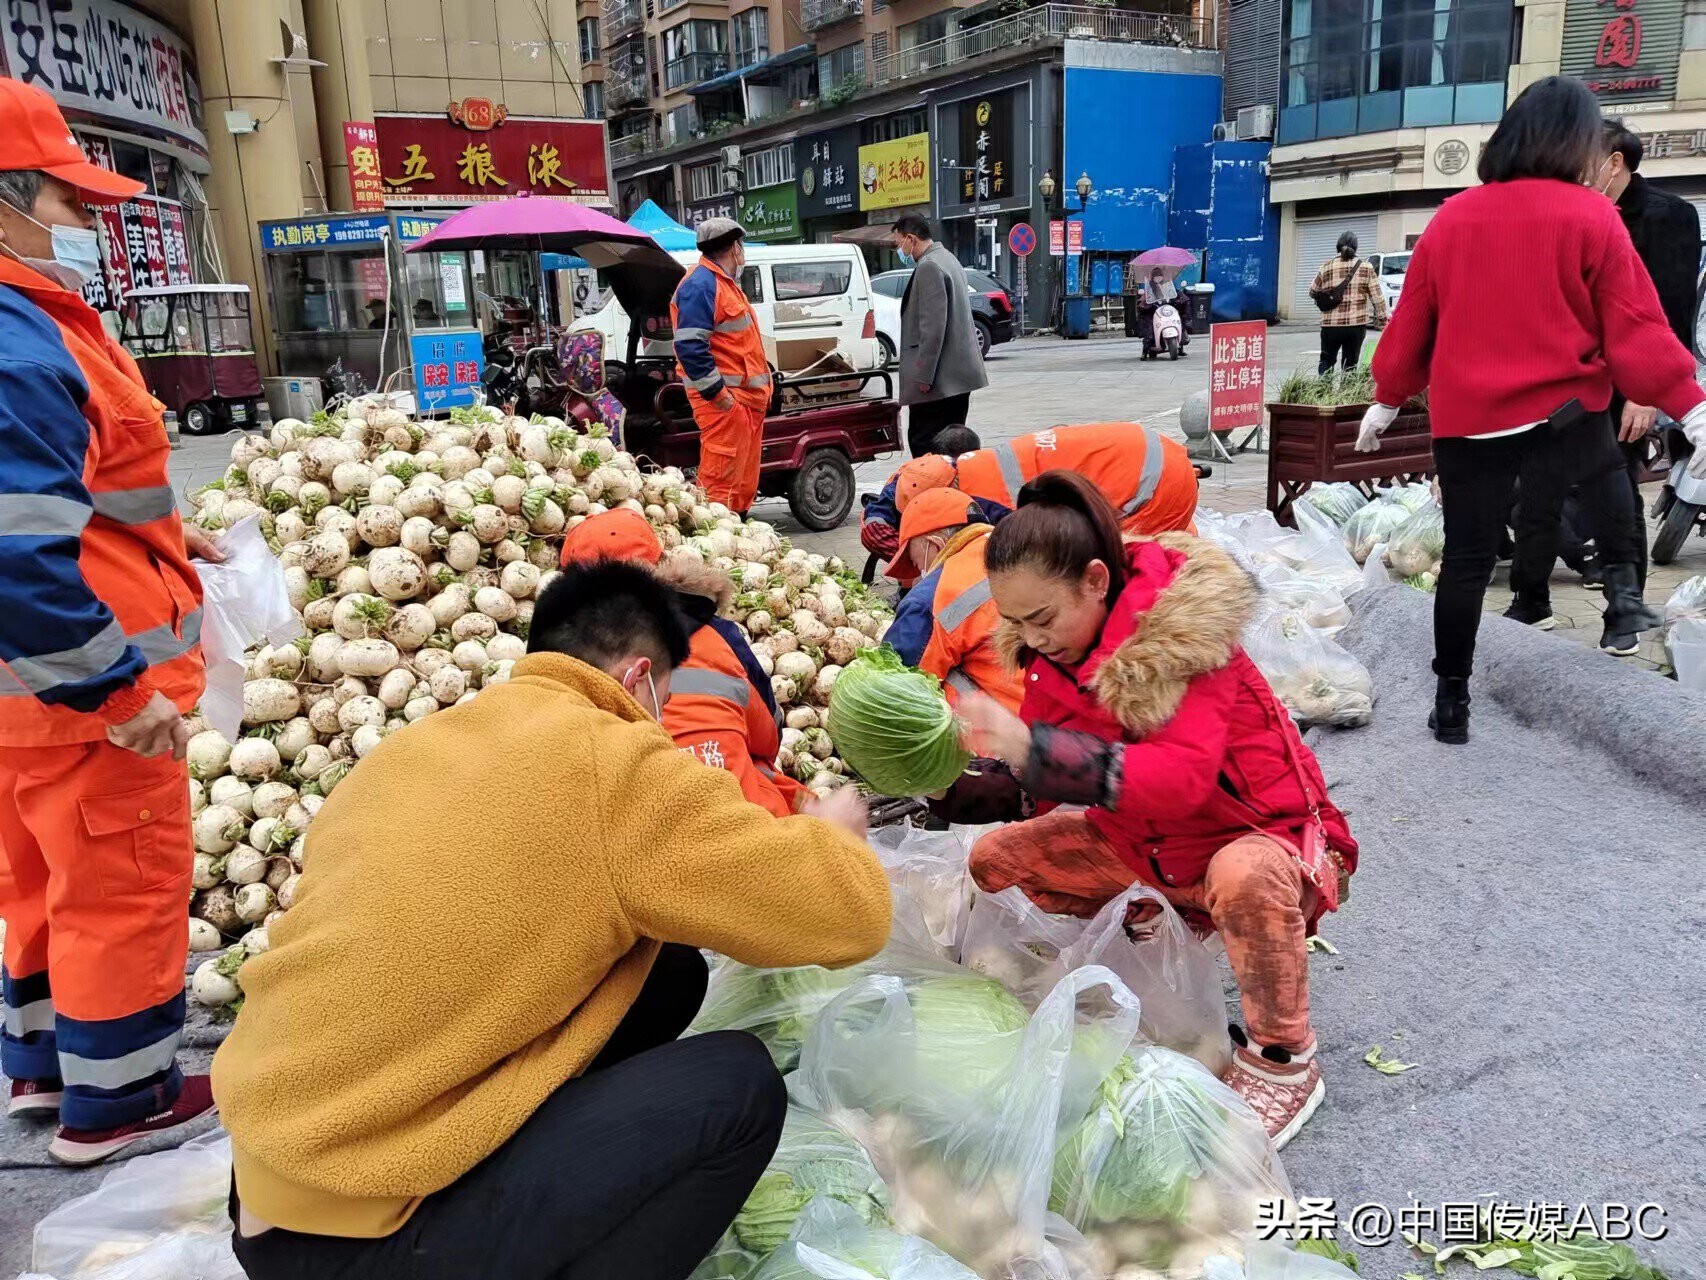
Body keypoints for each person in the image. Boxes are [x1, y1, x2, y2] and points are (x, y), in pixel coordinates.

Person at [214, 558, 892, 1280]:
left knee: (666, 974)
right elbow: (849, 918)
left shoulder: (412, 749)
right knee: (738, 1088)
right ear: (635, 681)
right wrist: (836, 839)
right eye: (663, 697)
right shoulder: (613, 761)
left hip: (269, 1187)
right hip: (368, 1236)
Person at [955, 472, 1357, 1149]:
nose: (1030, 637)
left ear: (1094, 580)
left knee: (1243, 877)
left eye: (1042, 618)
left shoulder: (1188, 639)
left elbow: (1181, 784)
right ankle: (1121, 953)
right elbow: (1058, 783)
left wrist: (1037, 749)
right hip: (1144, 847)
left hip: (1264, 842)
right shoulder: (1047, 656)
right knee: (996, 858)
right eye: (1014, 621)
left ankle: (1285, 1059)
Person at [0, 81, 225, 1166]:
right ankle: (122, 1103)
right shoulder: (19, 342)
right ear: (12, 199)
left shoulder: (31, 321)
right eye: (72, 202)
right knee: (120, 892)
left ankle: (45, 1074)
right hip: (84, 699)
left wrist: (178, 545)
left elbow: (75, 504)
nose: (89, 227)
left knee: (41, 886)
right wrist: (117, 693)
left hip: (23, 712)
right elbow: (16, 556)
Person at [1359, 76, 1706, 740]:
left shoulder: (1453, 217)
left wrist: (1387, 399)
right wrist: (1688, 403)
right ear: (1575, 143)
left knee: (1464, 560)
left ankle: (1451, 703)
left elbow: (1413, 327)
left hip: (1468, 423)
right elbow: (1634, 326)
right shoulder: (1590, 216)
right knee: (1611, 485)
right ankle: (1625, 607)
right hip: (1562, 418)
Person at [1508, 116, 1704, 639]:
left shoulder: (1669, 217)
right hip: (1557, 381)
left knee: (1616, 497)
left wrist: (1646, 393)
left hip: (1624, 387)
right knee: (1537, 491)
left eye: (1580, 156)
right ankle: (1531, 600)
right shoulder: (1567, 214)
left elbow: (1671, 314)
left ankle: (1623, 615)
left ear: (1614, 161)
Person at [560, 509, 806, 818]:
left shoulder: (565, 661)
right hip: (751, 829)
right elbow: (768, 734)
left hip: (642, 836)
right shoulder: (719, 635)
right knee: (761, 768)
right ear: (661, 569)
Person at [891, 422, 1199, 539]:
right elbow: (904, 479)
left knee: (1127, 569)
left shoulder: (993, 504)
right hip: (1145, 451)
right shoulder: (975, 464)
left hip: (1155, 481)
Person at [885, 488, 1025, 716]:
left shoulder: (932, 597)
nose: (917, 573)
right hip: (1061, 716)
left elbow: (893, 687)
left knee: (923, 685)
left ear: (935, 544)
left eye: (915, 560)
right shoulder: (1020, 547)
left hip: (1013, 732)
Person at [672, 217, 770, 516]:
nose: (742, 253)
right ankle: (718, 542)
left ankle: (737, 535)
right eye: (741, 246)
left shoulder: (721, 284)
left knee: (740, 482)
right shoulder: (701, 285)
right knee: (720, 483)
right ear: (734, 247)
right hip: (726, 403)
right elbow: (690, 347)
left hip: (744, 403)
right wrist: (720, 397)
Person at [892, 215, 987, 456]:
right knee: (953, 442)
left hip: (939, 380)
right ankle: (952, 487)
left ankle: (933, 490)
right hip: (958, 377)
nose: (898, 249)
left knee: (924, 441)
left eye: (898, 242)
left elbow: (932, 328)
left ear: (911, 239)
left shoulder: (929, 266)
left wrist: (923, 376)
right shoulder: (948, 258)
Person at [860, 425, 989, 586]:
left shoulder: (973, 479)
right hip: (901, 537)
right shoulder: (912, 476)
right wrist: (913, 555)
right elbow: (874, 530)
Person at [1309, 231, 1386, 374]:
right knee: (1350, 365)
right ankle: (1345, 394)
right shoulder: (1366, 267)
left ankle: (1322, 394)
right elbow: (1377, 298)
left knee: (1326, 362)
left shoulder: (1326, 267)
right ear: (1355, 247)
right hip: (1355, 326)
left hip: (1330, 326)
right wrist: (1382, 319)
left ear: (1337, 246)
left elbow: (1312, 291)